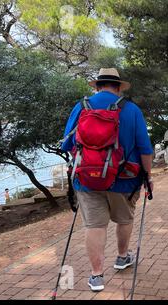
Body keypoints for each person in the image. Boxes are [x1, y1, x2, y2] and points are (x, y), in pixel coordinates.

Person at [61, 68, 153, 292]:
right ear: (119, 87)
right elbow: (145, 149)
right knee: (124, 219)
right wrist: (148, 176)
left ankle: (96, 276)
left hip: (86, 180)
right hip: (124, 180)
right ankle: (122, 257)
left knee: (94, 225)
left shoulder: (81, 107)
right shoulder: (131, 110)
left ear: (97, 86)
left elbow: (67, 144)